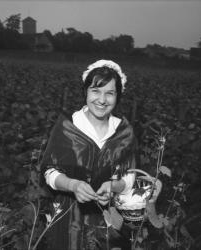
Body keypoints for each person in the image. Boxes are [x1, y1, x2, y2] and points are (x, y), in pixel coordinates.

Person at [40, 59, 136, 250]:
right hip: (69, 216)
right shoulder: (68, 126)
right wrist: (72, 184)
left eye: (110, 93)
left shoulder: (124, 131)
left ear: (118, 96)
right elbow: (49, 172)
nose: (102, 100)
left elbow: (130, 175)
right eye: (95, 91)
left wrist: (114, 186)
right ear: (85, 92)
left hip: (110, 215)